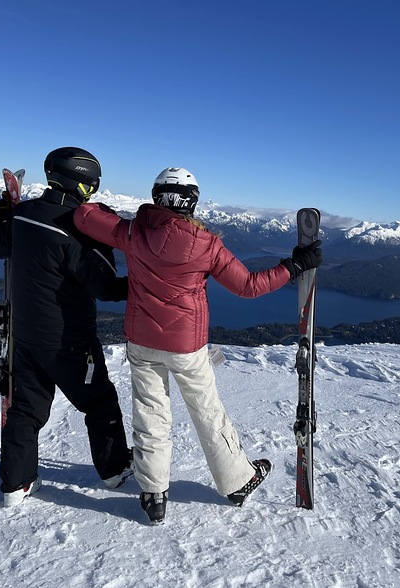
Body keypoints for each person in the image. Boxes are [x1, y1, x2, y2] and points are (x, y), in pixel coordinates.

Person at [73, 167, 322, 524]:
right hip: (186, 345)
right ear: (191, 201)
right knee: (206, 411)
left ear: (157, 196)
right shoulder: (206, 244)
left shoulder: (131, 232)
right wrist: (294, 265)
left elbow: (84, 216)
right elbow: (249, 286)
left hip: (141, 339)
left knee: (150, 415)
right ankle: (237, 481)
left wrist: (105, 210)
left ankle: (154, 494)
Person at [0, 147, 133, 507]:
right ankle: (114, 471)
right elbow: (106, 287)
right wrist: (147, 284)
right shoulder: (79, 230)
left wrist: (2, 213)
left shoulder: (24, 215)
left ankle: (16, 485)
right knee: (99, 403)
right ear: (84, 183)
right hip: (70, 340)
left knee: (25, 409)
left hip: (24, 336)